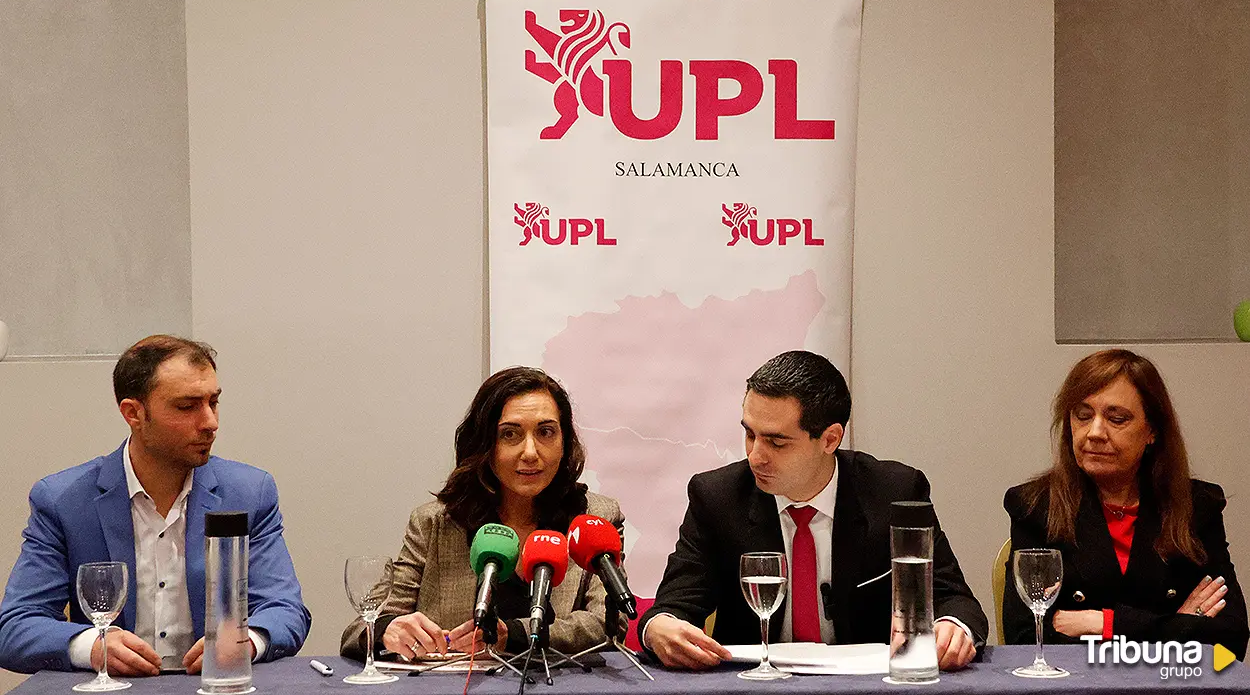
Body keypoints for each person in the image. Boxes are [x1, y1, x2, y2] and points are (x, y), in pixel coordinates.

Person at [639, 350, 987, 670]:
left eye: (776, 442)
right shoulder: (717, 498)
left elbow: (954, 600)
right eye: (750, 435)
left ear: (830, 439)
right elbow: (675, 605)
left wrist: (952, 628)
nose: (755, 456)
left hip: (867, 689)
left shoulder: (894, 493)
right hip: (753, 688)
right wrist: (658, 629)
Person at [0, 335, 311, 675]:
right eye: (187, 407)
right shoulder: (64, 501)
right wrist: (91, 646)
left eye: (213, 402)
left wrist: (246, 641)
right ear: (133, 413)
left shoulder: (250, 493)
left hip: (214, 686)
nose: (210, 422)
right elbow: (15, 627)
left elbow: (285, 609)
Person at [340, 366, 624, 659]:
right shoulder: (436, 523)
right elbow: (360, 627)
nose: (530, 452)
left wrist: (513, 635)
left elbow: (609, 624)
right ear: (485, 443)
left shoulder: (596, 518)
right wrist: (388, 630)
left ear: (564, 443)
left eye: (546, 432)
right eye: (510, 434)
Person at [1003, 349, 1248, 659]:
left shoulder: (1196, 507)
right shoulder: (1034, 506)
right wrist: (1177, 624)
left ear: (1152, 430)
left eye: (1116, 419)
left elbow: (1230, 639)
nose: (1095, 432)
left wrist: (1103, 623)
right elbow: (1026, 639)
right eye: (1082, 416)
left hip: (1171, 683)